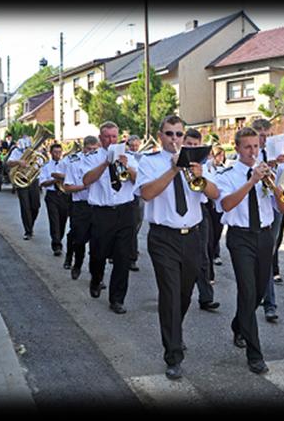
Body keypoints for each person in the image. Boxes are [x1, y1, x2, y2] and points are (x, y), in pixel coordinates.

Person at [135, 116, 220, 380]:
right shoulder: (149, 162)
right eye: (169, 134)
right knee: (170, 294)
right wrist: (173, 169)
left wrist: (201, 177)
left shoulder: (199, 162)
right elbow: (147, 193)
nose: (174, 139)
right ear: (160, 135)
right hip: (163, 238)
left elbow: (215, 195)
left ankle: (175, 330)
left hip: (193, 236)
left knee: (184, 295)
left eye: (179, 134)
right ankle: (173, 355)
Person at [215, 126, 284, 374]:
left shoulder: (268, 172)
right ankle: (255, 354)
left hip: (265, 235)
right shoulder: (227, 174)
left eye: (256, 146)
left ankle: (239, 324)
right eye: (247, 147)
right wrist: (252, 181)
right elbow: (226, 204)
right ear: (236, 148)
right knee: (247, 291)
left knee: (257, 292)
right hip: (240, 238)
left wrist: (276, 186)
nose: (252, 151)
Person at [81, 121, 139, 314]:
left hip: (125, 210)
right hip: (101, 212)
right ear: (100, 138)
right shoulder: (91, 157)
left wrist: (126, 166)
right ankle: (96, 279)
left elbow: (139, 181)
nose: (111, 140)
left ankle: (117, 299)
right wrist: (105, 163)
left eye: (114, 136)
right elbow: (86, 180)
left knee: (122, 257)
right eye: (107, 137)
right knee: (98, 254)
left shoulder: (129, 156)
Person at [252, 118, 284, 323]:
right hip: (252, 213)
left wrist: (283, 165)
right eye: (262, 135)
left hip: (273, 208)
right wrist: (268, 165)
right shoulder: (247, 155)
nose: (265, 139)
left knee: (268, 253)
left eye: (268, 135)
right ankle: (262, 301)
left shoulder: (273, 153)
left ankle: (269, 303)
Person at [182, 128, 221, 313]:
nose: (192, 147)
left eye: (196, 145)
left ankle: (206, 297)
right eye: (188, 144)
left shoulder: (204, 166)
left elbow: (214, 193)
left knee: (203, 255)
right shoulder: (174, 163)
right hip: (179, 213)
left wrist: (200, 175)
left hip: (201, 211)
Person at [63, 136, 100, 279]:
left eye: (94, 149)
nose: (91, 152)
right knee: (79, 239)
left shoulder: (101, 163)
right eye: (89, 149)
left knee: (97, 243)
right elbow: (67, 187)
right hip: (80, 205)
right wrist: (84, 186)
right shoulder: (74, 162)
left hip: (97, 206)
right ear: (83, 148)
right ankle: (77, 264)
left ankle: (96, 276)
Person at [39, 143, 72, 256]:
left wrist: (62, 177)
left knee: (62, 220)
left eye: (59, 152)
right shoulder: (46, 166)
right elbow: (42, 182)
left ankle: (59, 238)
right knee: (54, 220)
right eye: (55, 152)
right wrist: (54, 180)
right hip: (52, 195)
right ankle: (56, 245)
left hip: (64, 195)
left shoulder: (66, 165)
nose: (58, 154)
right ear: (51, 153)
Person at [7, 137, 42, 240]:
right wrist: (19, 162)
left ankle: (30, 225)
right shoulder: (16, 151)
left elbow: (40, 163)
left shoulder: (36, 151)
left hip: (33, 180)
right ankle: (28, 231)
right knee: (25, 206)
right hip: (21, 179)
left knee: (36, 206)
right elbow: (9, 163)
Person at [206, 145, 227, 279]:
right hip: (207, 206)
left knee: (216, 236)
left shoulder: (223, 170)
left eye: (222, 155)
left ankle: (214, 254)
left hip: (218, 208)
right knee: (208, 238)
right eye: (218, 155)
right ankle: (209, 273)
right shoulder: (207, 168)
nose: (220, 158)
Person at [126, 134, 143, 272]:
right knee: (130, 227)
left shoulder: (143, 158)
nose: (134, 148)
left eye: (136, 145)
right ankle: (132, 258)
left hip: (139, 195)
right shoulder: (126, 157)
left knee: (137, 224)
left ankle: (130, 249)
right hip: (127, 195)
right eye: (132, 145)